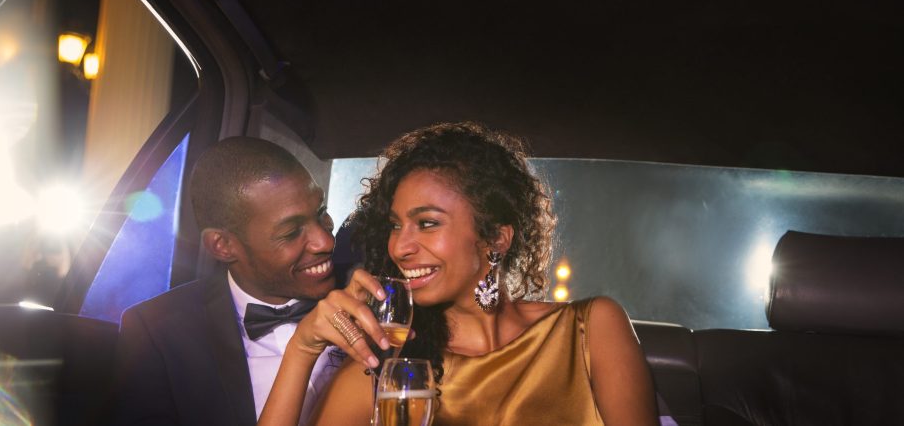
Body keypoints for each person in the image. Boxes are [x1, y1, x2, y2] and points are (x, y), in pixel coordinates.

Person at [259, 122, 659, 425]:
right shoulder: (393, 373)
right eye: (396, 225)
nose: (399, 247)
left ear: (495, 239)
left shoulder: (591, 329)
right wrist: (302, 350)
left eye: (428, 223)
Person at [112, 137, 343, 426]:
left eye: (321, 214)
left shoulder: (370, 296)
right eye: (291, 232)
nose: (325, 241)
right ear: (223, 246)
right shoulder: (157, 332)